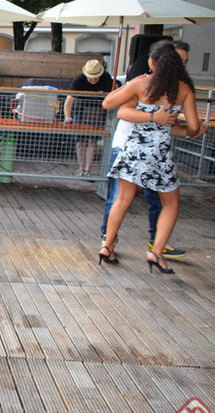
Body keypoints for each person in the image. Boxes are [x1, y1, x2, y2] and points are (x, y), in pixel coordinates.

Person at [99, 40, 200, 273]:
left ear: (152, 62)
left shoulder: (142, 83)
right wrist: (186, 128)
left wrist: (141, 97)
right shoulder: (183, 89)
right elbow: (194, 127)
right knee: (171, 203)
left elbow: (108, 103)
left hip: (135, 150)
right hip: (160, 154)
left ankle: (107, 245)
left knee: (122, 199)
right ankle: (156, 252)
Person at [64, 59, 114, 176]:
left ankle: (88, 169)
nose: (93, 80)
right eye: (91, 77)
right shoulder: (79, 79)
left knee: (92, 141)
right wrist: (67, 116)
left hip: (98, 110)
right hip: (80, 110)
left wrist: (109, 115)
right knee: (80, 140)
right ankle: (81, 168)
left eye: (96, 77)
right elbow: (69, 99)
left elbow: (111, 98)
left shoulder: (107, 78)